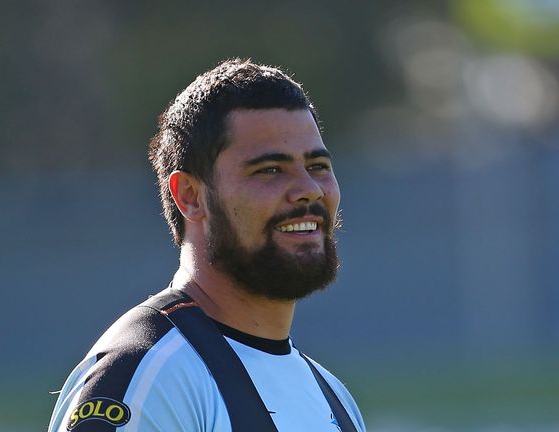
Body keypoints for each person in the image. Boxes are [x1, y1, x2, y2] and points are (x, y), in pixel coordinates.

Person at [47, 58, 365, 432]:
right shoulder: (150, 377)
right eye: (270, 170)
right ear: (191, 196)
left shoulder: (333, 396)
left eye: (318, 166)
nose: (309, 190)